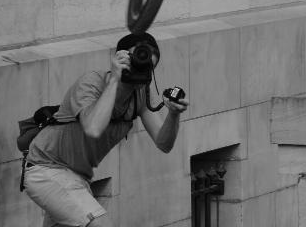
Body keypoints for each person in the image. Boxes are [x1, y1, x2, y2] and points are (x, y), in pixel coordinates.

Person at [23, 33, 189, 227]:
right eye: (136, 61)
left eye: (148, 66)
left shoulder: (141, 95)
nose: (141, 69)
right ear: (120, 59)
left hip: (78, 177)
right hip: (46, 168)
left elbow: (164, 144)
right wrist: (114, 80)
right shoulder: (91, 82)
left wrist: (174, 114)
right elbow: (93, 129)